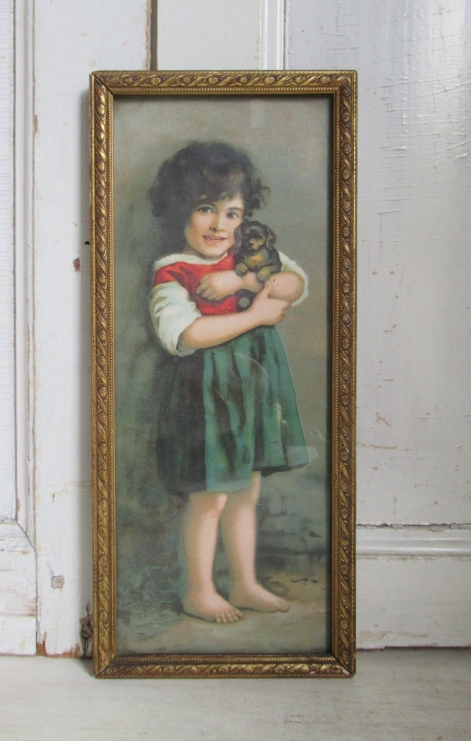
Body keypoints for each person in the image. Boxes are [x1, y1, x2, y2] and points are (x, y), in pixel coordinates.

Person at [149, 141, 309, 624]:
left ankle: (244, 582)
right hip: (205, 393)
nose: (220, 225)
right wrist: (256, 314)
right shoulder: (173, 271)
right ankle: (199, 589)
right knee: (211, 496)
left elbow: (295, 283)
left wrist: (240, 282)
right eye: (206, 209)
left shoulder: (249, 256)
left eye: (232, 213)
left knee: (246, 492)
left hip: (252, 388)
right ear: (181, 209)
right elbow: (187, 334)